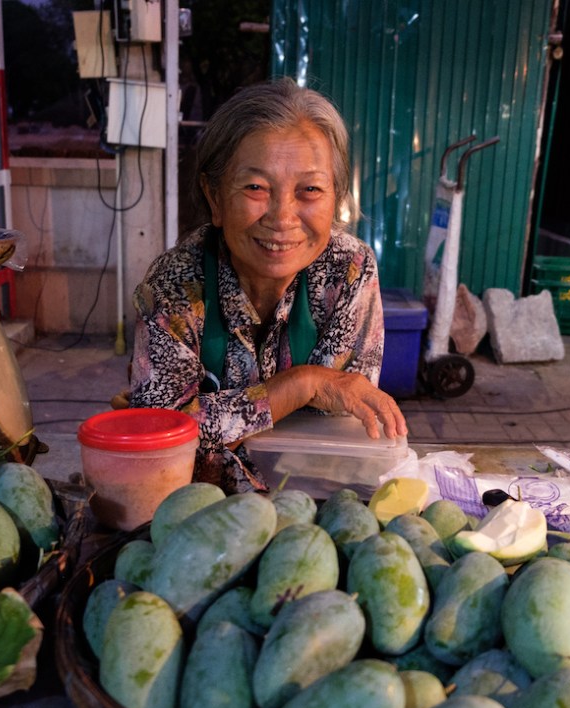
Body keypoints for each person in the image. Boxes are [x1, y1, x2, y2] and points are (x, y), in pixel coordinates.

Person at [128, 78, 407, 492]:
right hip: (197, 506)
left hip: (309, 499)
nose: (283, 217)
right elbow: (155, 438)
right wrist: (303, 384)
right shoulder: (175, 286)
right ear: (216, 197)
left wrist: (216, 416)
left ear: (336, 198)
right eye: (256, 187)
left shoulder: (349, 270)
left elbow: (341, 426)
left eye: (310, 189)